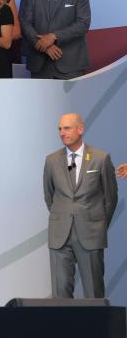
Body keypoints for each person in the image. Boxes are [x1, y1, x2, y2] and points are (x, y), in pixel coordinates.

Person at [44, 113, 117, 298]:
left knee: (94, 294)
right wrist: (64, 217)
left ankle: (95, 328)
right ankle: (62, 328)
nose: (62, 133)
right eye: (59, 129)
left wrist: (97, 225)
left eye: (67, 128)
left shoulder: (101, 158)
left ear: (80, 129)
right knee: (60, 296)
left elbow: (110, 199)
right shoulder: (51, 161)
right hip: (60, 236)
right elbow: (49, 197)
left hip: (91, 234)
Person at [20, 0, 91, 79]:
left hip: (70, 64)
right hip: (40, 63)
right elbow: (26, 23)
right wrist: (43, 45)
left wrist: (53, 36)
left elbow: (83, 24)